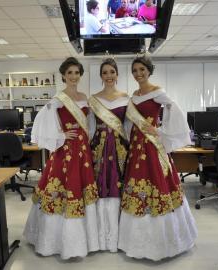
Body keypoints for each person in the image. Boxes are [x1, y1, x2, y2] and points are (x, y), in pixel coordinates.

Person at [118, 56, 197, 261]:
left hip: (153, 147)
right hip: (136, 147)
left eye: (142, 69)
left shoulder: (157, 91)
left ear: (149, 70)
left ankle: (164, 243)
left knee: (159, 183)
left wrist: (161, 130)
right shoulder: (134, 95)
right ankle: (135, 243)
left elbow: (174, 109)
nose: (138, 74)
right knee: (137, 186)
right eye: (135, 70)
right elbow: (129, 123)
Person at [23, 57, 99, 259]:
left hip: (82, 152)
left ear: (80, 75)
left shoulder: (85, 97)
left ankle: (85, 241)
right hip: (64, 152)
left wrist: (85, 138)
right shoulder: (58, 98)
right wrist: (61, 135)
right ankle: (56, 242)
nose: (73, 76)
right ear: (64, 76)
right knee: (63, 189)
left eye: (77, 73)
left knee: (80, 188)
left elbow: (90, 124)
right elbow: (43, 121)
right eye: (70, 73)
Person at [89, 58, 129, 252]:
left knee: (118, 184)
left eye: (112, 72)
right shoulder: (93, 99)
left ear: (117, 74)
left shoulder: (126, 98)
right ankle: (101, 237)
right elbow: (88, 127)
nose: (109, 76)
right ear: (101, 76)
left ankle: (118, 238)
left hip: (120, 148)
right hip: (99, 148)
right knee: (100, 185)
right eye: (105, 72)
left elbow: (129, 126)